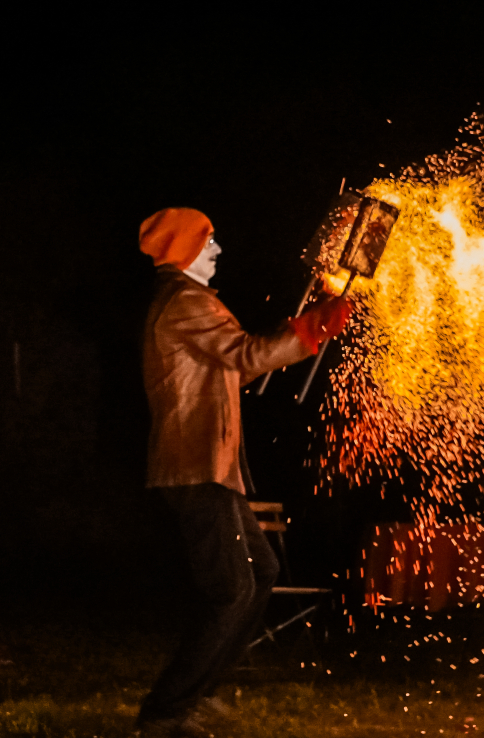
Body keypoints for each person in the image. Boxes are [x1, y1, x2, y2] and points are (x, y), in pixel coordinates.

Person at [135, 207, 352, 737]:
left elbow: (236, 359)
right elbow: (247, 356)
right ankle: (165, 711)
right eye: (208, 242)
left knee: (261, 573)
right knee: (232, 589)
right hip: (195, 469)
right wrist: (311, 328)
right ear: (184, 250)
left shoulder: (186, 300)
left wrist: (302, 324)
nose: (217, 251)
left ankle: (197, 694)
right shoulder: (187, 302)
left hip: (210, 468)